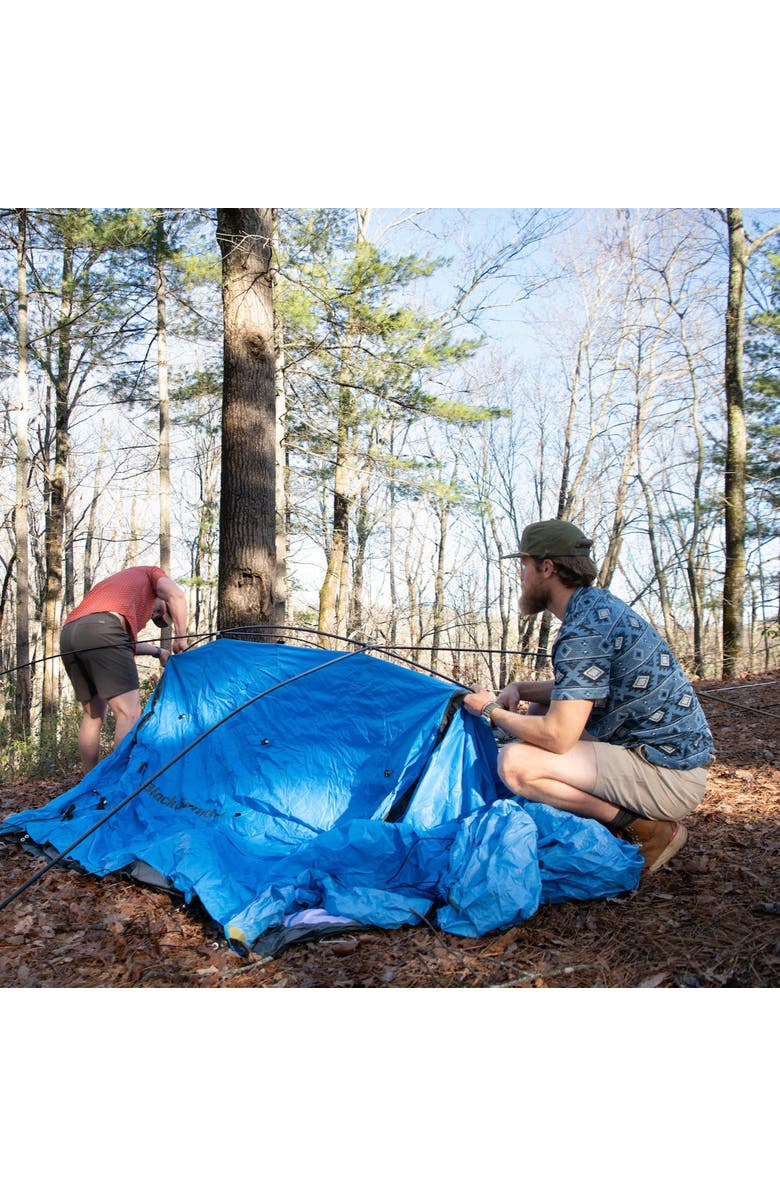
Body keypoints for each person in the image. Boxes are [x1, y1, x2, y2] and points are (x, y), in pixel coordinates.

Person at [462, 519, 714, 878]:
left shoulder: (583, 631)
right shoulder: (596, 609)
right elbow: (580, 688)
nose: (521, 576)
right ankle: (601, 821)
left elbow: (558, 736)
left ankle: (648, 830)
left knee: (516, 763)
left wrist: (488, 708)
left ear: (546, 568)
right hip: (672, 761)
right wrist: (520, 687)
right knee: (540, 710)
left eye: (525, 566)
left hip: (668, 776)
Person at [60, 565, 189, 773]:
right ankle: (118, 784)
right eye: (159, 610)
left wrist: (159, 652)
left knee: (93, 715)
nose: (154, 614)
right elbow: (178, 595)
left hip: (69, 633)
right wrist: (181, 637)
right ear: (160, 595)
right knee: (128, 714)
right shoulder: (151, 573)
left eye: (157, 617)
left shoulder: (115, 590)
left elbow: (122, 646)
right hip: (103, 629)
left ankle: (89, 783)